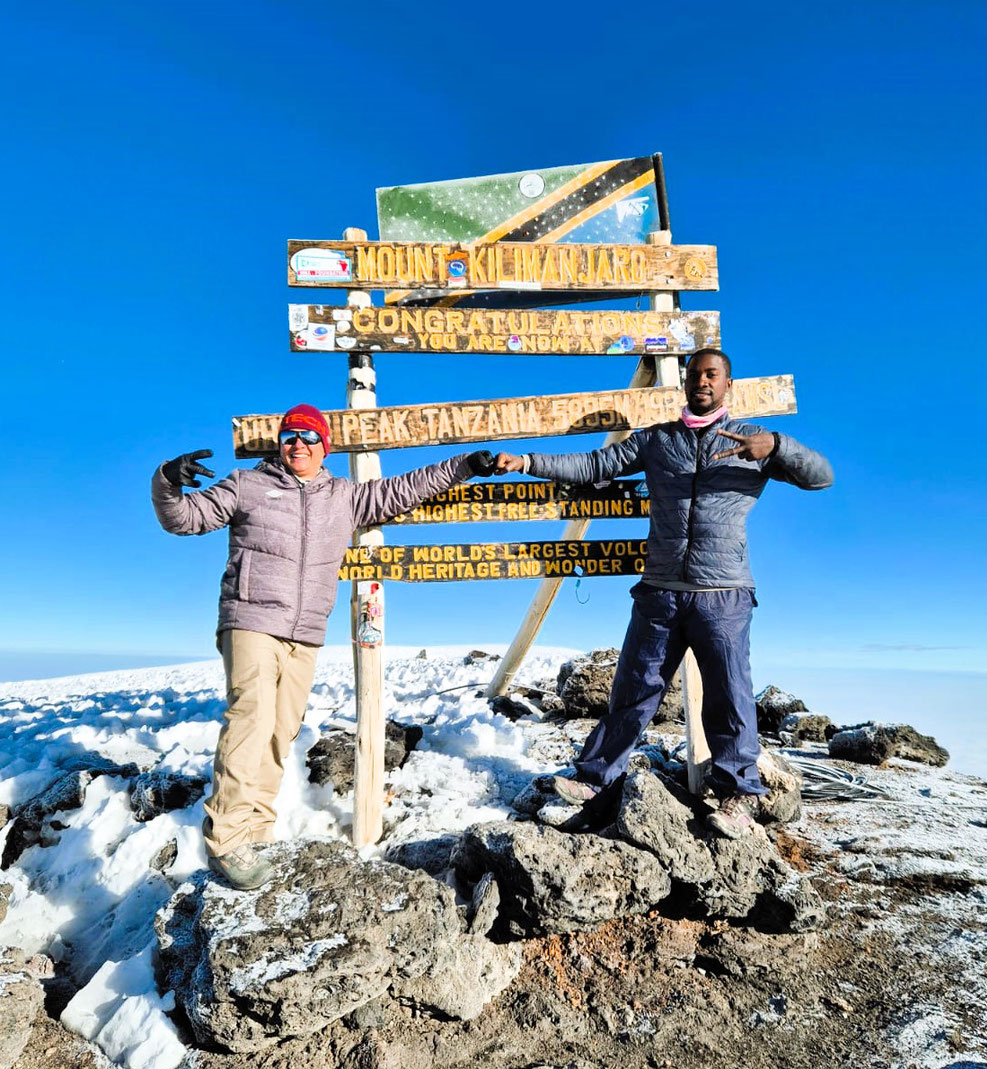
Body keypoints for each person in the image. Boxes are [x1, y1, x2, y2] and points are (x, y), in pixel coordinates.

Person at [153, 403, 496, 889]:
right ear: (280, 443)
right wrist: (167, 480)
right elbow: (183, 519)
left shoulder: (344, 497)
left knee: (280, 730)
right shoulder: (247, 485)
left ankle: (255, 830)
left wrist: (463, 466)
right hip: (250, 618)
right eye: (290, 436)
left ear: (324, 447)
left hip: (307, 630)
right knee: (250, 718)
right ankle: (227, 840)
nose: (298, 444)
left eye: (309, 438)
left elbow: (404, 489)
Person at [494, 351, 833, 839]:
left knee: (730, 696)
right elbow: (594, 464)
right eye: (695, 374)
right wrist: (527, 460)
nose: (702, 382)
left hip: (724, 593)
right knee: (633, 690)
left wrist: (778, 446)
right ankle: (594, 779)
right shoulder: (658, 440)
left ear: (727, 384)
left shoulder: (753, 440)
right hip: (659, 593)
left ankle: (738, 792)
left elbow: (821, 477)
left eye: (711, 375)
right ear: (686, 385)